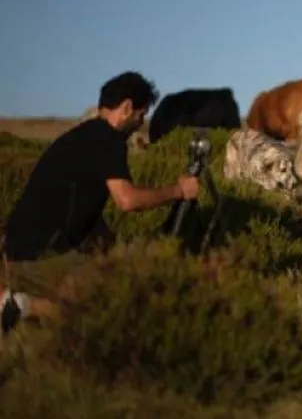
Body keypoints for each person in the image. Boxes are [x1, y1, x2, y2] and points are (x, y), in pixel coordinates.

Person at [1, 71, 201, 334]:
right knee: (105, 308)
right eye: (141, 115)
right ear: (127, 107)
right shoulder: (107, 138)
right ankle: (21, 305)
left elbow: (80, 207)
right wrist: (178, 190)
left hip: (16, 251)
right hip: (40, 256)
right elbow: (127, 200)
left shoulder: (82, 136)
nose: (140, 123)